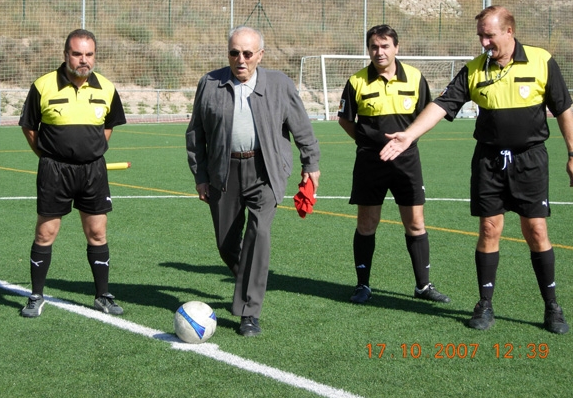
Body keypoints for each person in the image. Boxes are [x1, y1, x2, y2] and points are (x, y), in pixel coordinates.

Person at [380, 6, 573, 334]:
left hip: (530, 160)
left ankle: (552, 305)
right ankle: (485, 303)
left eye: (490, 35)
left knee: (536, 230)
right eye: (480, 35)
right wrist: (409, 134)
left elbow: (564, 108)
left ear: (509, 32)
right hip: (489, 161)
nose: (483, 42)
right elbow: (443, 104)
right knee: (489, 229)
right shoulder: (474, 70)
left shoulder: (542, 61)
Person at [186, 25, 321, 337]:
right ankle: (251, 277)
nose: (241, 59)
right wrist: (201, 176)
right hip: (224, 172)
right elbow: (196, 135)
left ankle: (249, 312)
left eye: (248, 53)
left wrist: (310, 163)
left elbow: (302, 128)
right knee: (226, 244)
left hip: (266, 170)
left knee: (259, 233)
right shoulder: (210, 83)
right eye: (234, 52)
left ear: (261, 55)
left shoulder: (279, 84)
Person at [338, 24, 451, 306]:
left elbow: (428, 112)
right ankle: (363, 285)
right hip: (370, 163)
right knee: (367, 223)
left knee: (415, 222)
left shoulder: (414, 77)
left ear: (396, 48)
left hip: (407, 162)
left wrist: (407, 141)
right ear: (369, 49)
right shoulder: (356, 82)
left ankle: (423, 286)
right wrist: (368, 143)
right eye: (374, 47)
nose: (379, 52)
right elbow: (345, 120)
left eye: (385, 46)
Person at [18, 29, 127, 318]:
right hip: (55, 171)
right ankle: (36, 296)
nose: (83, 60)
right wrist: (47, 156)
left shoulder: (106, 87)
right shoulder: (43, 86)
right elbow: (29, 127)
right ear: (66, 54)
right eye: (77, 54)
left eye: (89, 54)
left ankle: (102, 295)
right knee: (45, 233)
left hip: (93, 172)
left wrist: (93, 150)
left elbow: (108, 126)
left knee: (97, 232)